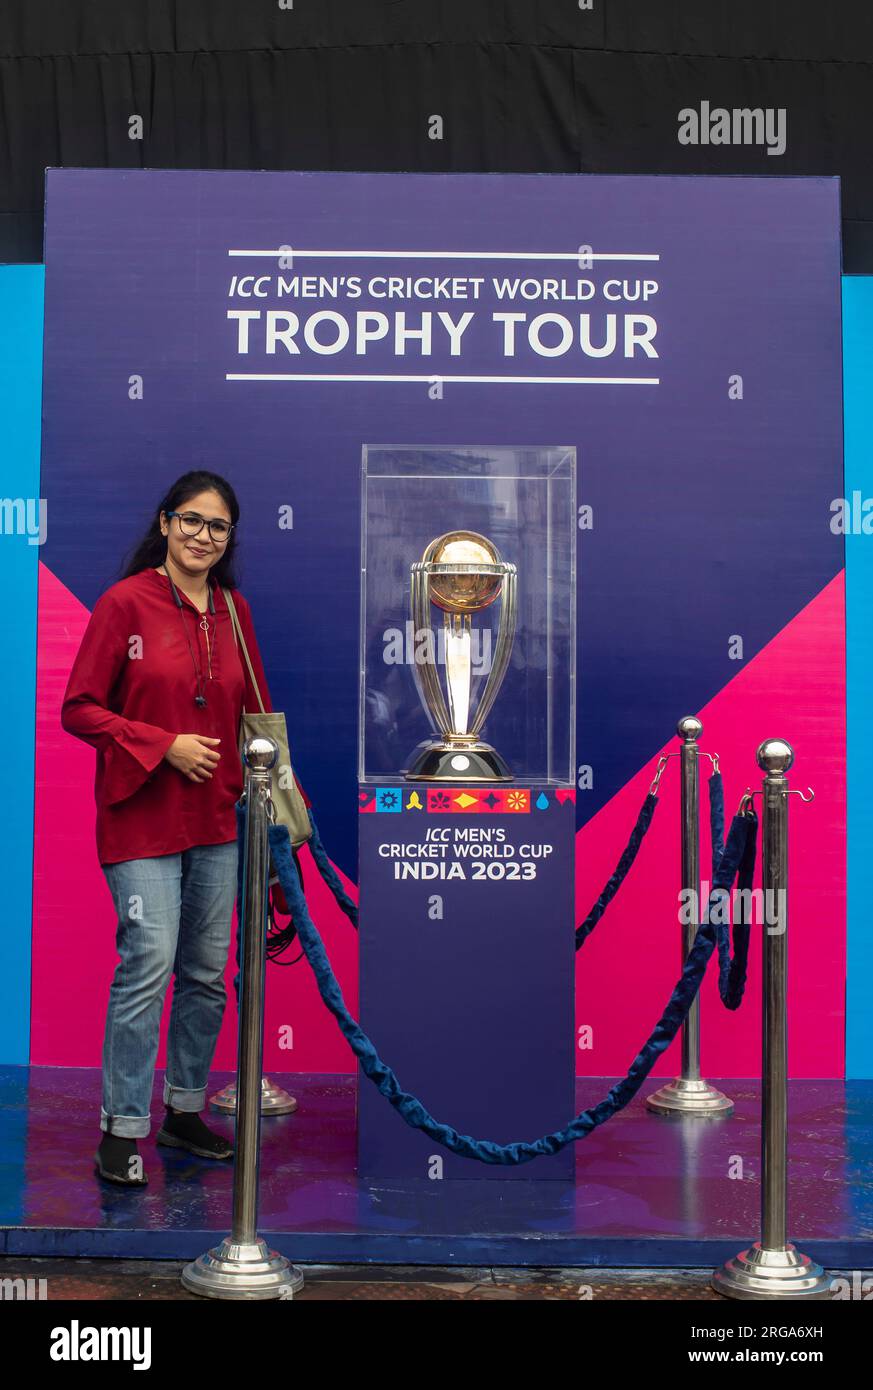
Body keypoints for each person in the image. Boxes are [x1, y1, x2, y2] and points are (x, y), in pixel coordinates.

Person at [61, 469, 297, 1186]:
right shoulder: (122, 603)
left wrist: (278, 812)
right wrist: (161, 743)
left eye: (217, 526)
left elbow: (256, 719)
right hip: (139, 819)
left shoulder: (233, 609)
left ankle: (185, 1111)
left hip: (221, 820)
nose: (202, 536)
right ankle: (121, 1127)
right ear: (164, 524)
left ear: (230, 538)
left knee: (205, 973)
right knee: (148, 964)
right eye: (190, 520)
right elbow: (79, 708)